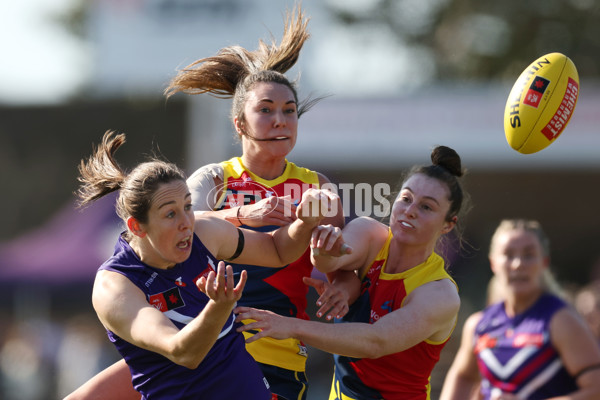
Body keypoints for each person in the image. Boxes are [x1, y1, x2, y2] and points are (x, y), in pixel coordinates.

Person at [65, 5, 352, 400]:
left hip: (272, 347)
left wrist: (339, 275)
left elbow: (327, 261)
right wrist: (240, 213)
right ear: (240, 124)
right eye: (265, 111)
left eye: (289, 112)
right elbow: (193, 228)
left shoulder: (316, 188)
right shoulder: (213, 180)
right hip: (203, 334)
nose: (280, 121)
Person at [71, 130, 338, 400]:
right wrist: (219, 307)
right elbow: (183, 352)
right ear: (136, 226)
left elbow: (278, 251)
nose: (186, 222)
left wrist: (305, 222)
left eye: (188, 206)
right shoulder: (116, 286)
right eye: (170, 214)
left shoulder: (204, 234)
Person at [234, 145, 469, 400]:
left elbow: (375, 342)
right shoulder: (370, 234)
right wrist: (323, 245)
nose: (410, 210)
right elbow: (328, 263)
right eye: (406, 198)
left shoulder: (440, 293)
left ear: (448, 225)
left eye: (427, 207)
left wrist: (290, 326)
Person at [440, 219, 600, 400]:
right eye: (508, 254)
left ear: (544, 262)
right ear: (493, 263)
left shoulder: (561, 321)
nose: (518, 264)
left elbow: (596, 391)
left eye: (529, 255)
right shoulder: (478, 324)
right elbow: (463, 376)